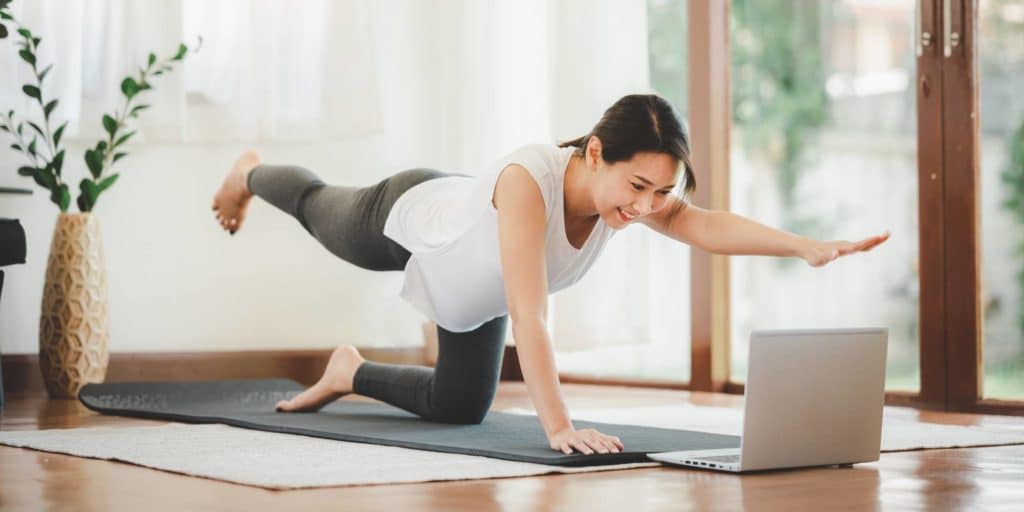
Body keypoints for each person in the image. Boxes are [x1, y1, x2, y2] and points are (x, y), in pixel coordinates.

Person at [210, 93, 889, 457]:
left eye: (662, 192)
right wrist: (557, 424)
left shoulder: (629, 199)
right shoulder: (531, 180)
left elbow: (703, 224)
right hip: (412, 218)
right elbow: (530, 317)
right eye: (639, 185)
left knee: (458, 408)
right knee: (317, 207)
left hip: (470, 286)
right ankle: (248, 172)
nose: (648, 206)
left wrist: (802, 246)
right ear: (595, 153)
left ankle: (348, 371)